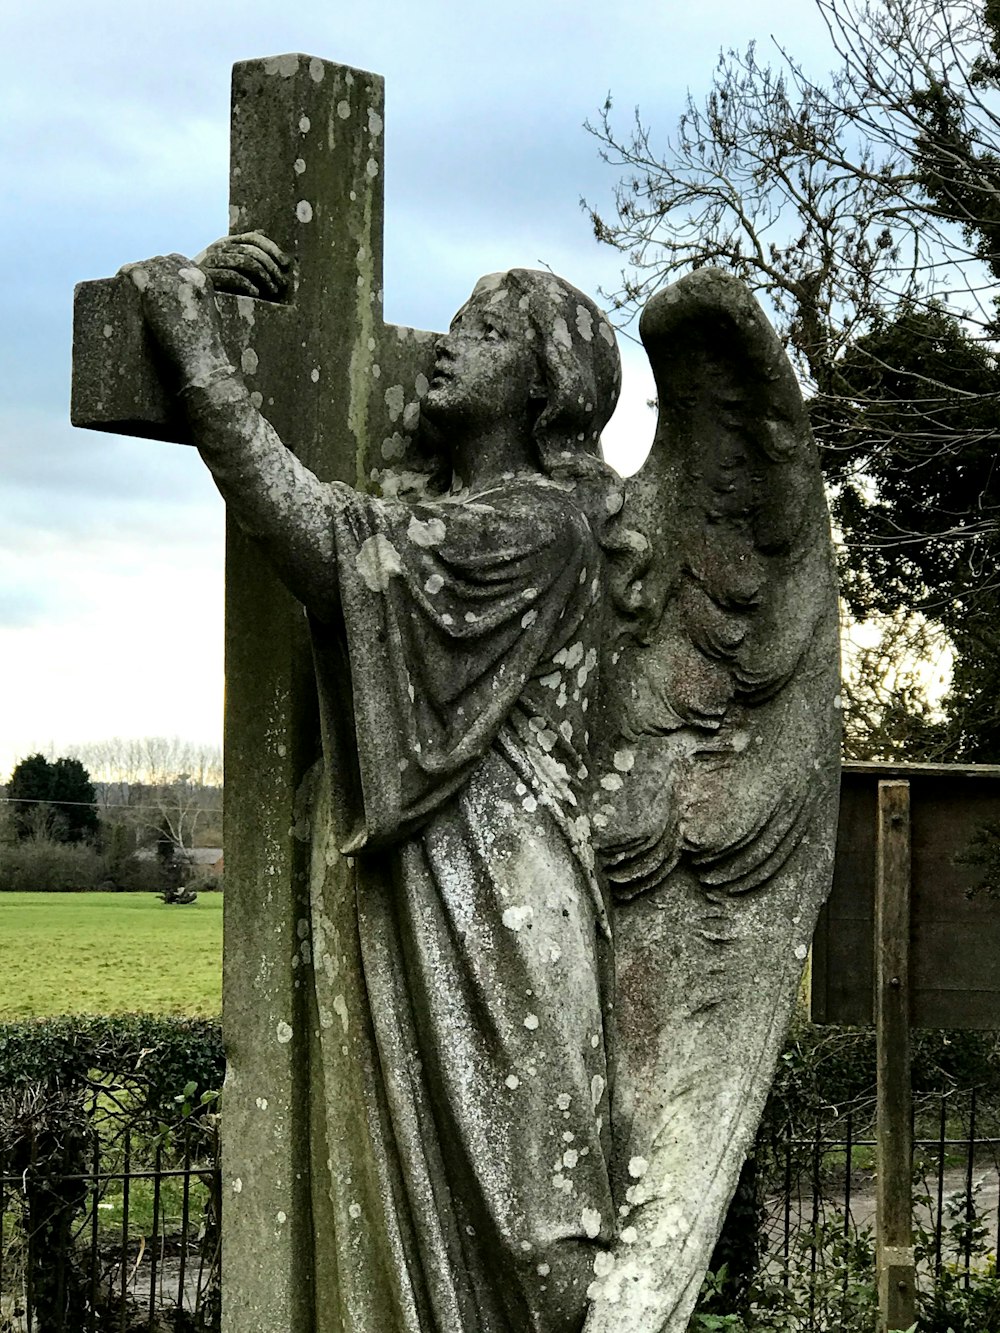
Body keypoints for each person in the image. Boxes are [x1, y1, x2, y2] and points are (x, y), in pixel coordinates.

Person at [128, 241, 625, 1332]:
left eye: (490, 332)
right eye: (457, 321)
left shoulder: (539, 524)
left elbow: (328, 544)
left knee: (543, 1243)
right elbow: (357, 530)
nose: (453, 343)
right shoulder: (452, 504)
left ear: (548, 384)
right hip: (424, 887)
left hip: (507, 896)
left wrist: (201, 352)